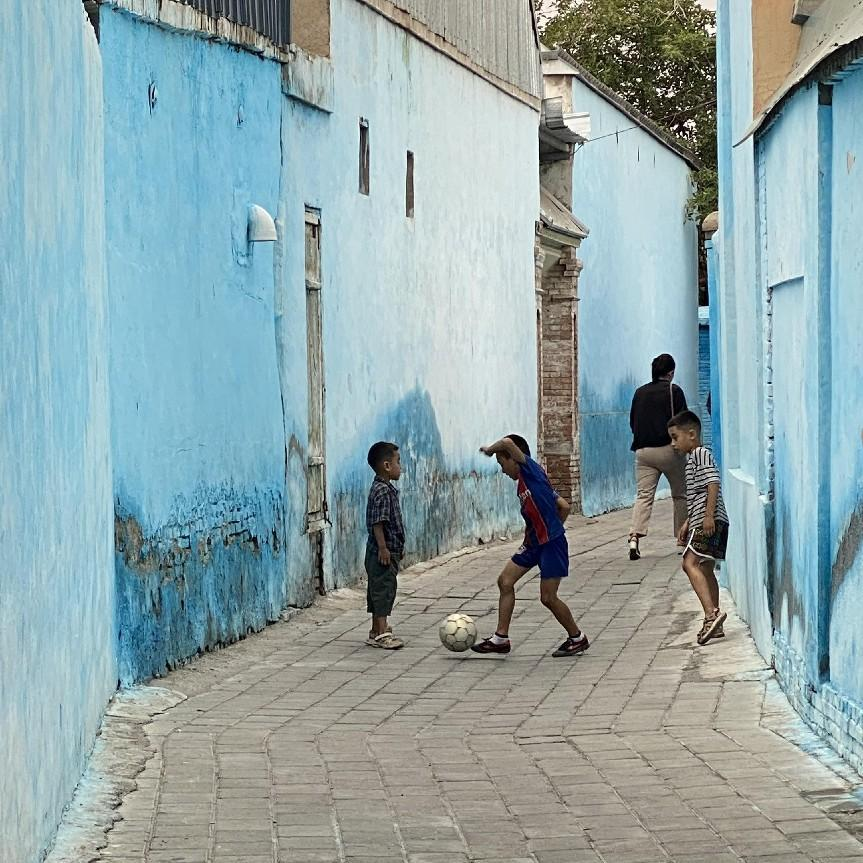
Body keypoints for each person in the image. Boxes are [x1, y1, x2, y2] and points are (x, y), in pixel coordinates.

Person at [471, 435, 589, 658]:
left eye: (502, 463)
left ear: (514, 458)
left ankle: (577, 637)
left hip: (552, 545)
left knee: (548, 598)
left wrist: (489, 450)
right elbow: (563, 506)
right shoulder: (526, 484)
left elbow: (507, 443)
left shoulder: (531, 470)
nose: (502, 470)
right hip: (533, 544)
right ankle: (500, 639)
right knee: (505, 581)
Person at [667, 410, 730, 645]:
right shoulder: (692, 459)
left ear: (691, 434)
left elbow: (712, 483)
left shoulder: (700, 454)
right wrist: (687, 522)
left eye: (675, 437)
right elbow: (699, 492)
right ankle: (717, 625)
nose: (673, 444)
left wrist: (708, 516)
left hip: (708, 519)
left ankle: (711, 615)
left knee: (689, 563)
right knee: (704, 567)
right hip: (705, 519)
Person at [628, 353, 688, 560]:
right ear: (670, 373)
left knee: (644, 496)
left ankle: (634, 538)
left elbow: (633, 422)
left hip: (643, 452)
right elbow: (683, 421)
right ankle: (682, 540)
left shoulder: (639, 392)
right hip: (669, 450)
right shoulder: (674, 391)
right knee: (680, 495)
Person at [365, 441, 405, 649]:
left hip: (384, 551)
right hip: (382, 552)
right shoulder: (382, 491)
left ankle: (375, 630)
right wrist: (383, 548)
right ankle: (382, 632)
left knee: (376, 590)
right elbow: (378, 522)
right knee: (384, 591)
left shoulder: (384, 488)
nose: (401, 466)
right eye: (398, 462)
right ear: (387, 466)